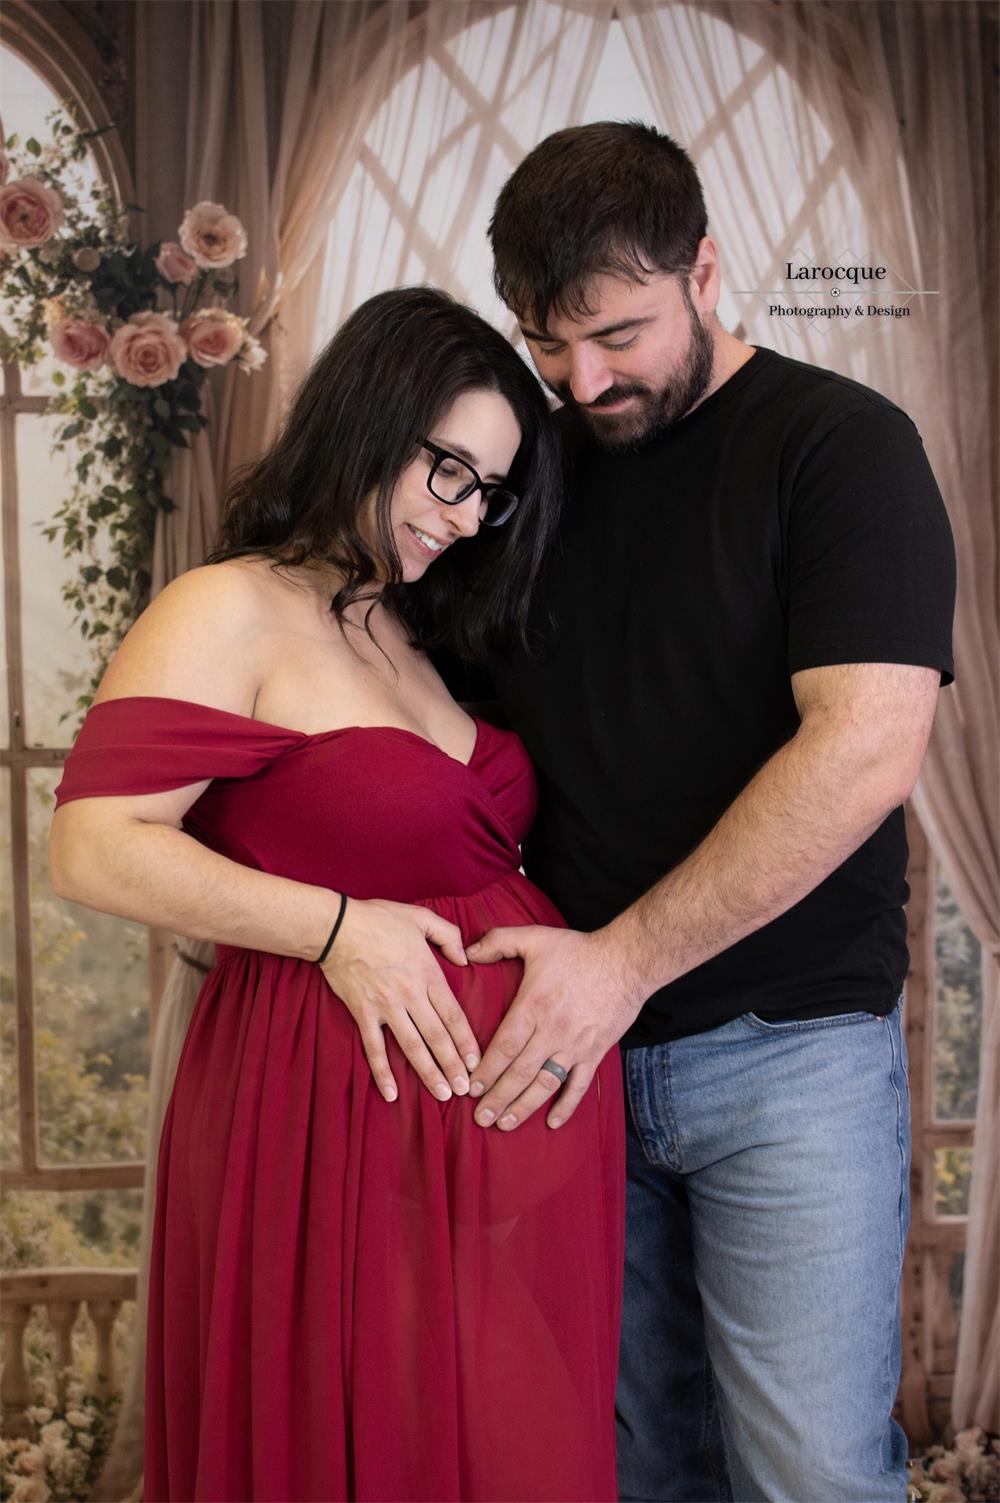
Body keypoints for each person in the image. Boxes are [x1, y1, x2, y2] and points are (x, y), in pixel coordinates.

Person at [445, 123, 955, 1502]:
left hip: (789, 1056)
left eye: (618, 332)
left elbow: (865, 749)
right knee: (634, 1473)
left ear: (709, 269)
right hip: (563, 1064)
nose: (584, 378)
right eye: (549, 344)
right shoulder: (526, 473)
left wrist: (619, 964)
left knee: (809, 1476)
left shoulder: (843, 447)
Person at [48, 287, 625, 1503]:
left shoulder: (407, 630)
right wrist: (336, 930)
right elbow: (95, 849)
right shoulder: (228, 608)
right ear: (369, 419)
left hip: (478, 1160)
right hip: (322, 1122)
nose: (462, 517)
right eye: (446, 471)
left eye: (488, 491)